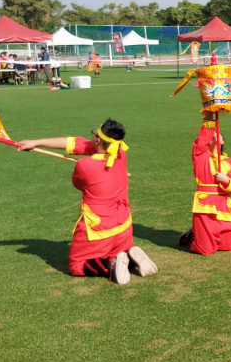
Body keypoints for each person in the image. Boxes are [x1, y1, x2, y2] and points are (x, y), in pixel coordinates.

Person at [16, 119, 157, 285]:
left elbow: (78, 184)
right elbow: (75, 143)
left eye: (94, 133)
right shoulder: (120, 154)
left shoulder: (85, 165)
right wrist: (36, 142)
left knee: (77, 265)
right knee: (114, 250)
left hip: (99, 230)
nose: (92, 135)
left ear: (97, 140)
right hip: (123, 229)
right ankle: (129, 255)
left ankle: (110, 265)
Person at [180, 113, 231, 254]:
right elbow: (202, 140)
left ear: (223, 141)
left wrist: (226, 181)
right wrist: (209, 116)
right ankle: (191, 237)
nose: (215, 135)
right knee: (206, 250)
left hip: (224, 205)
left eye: (219, 134)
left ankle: (199, 233)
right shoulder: (200, 157)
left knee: (230, 246)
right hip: (206, 205)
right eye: (212, 134)